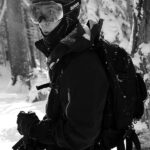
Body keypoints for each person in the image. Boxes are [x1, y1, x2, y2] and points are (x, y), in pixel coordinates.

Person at [17, 0, 109, 150]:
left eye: (51, 13)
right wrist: (38, 134)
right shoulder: (66, 54)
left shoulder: (82, 63)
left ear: (70, 13)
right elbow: (63, 111)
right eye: (36, 13)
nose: (42, 22)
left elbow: (81, 136)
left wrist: (35, 130)